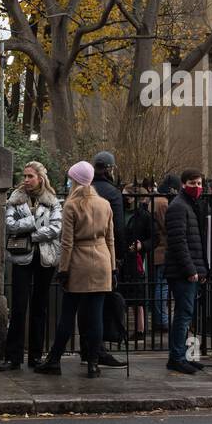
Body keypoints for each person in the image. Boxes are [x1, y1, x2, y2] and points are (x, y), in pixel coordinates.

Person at [36, 160, 116, 378]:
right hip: (102, 261)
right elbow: (110, 239)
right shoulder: (104, 204)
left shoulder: (72, 205)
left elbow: (67, 242)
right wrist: (113, 266)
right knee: (96, 316)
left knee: (68, 315)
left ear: (76, 180)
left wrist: (63, 270)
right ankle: (93, 363)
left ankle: (54, 360)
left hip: (79, 263)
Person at [0, 161, 61, 370]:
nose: (26, 180)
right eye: (24, 176)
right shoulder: (15, 199)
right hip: (21, 257)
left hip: (45, 258)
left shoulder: (52, 200)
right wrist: (34, 222)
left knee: (40, 307)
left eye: (30, 176)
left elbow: (56, 228)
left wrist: (30, 234)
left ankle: (35, 356)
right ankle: (13, 357)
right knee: (18, 307)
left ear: (40, 178)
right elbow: (10, 225)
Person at [164, 169, 208, 374]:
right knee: (183, 315)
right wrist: (191, 269)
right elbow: (178, 241)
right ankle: (177, 357)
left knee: (186, 314)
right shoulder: (179, 207)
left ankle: (182, 355)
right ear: (183, 184)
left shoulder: (189, 206)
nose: (197, 187)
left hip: (189, 270)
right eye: (193, 183)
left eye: (199, 183)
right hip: (182, 272)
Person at [88, 151, 127, 366]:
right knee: (101, 304)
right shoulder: (112, 193)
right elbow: (118, 229)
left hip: (80, 258)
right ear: (110, 169)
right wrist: (119, 257)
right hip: (103, 253)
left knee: (85, 306)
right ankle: (99, 351)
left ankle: (88, 349)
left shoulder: (83, 191)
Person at [122, 183, 156, 338]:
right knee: (120, 293)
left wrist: (143, 245)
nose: (124, 198)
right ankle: (119, 329)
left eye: (126, 195)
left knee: (138, 295)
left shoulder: (144, 215)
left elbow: (155, 238)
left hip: (136, 259)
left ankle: (140, 329)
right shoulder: (119, 211)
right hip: (121, 257)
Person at [150, 174, 177, 335]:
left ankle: (159, 320)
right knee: (162, 286)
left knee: (159, 286)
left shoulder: (154, 200)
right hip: (162, 249)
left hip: (156, 249)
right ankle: (162, 321)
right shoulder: (163, 203)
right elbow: (167, 227)